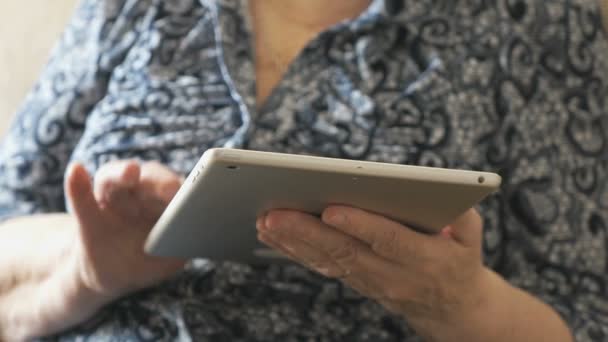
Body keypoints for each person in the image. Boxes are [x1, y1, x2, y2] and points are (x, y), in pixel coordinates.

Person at [0, 0, 606, 340]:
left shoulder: (539, 27)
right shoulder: (136, 8)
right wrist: (82, 268)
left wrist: (460, 304)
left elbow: (588, 314)